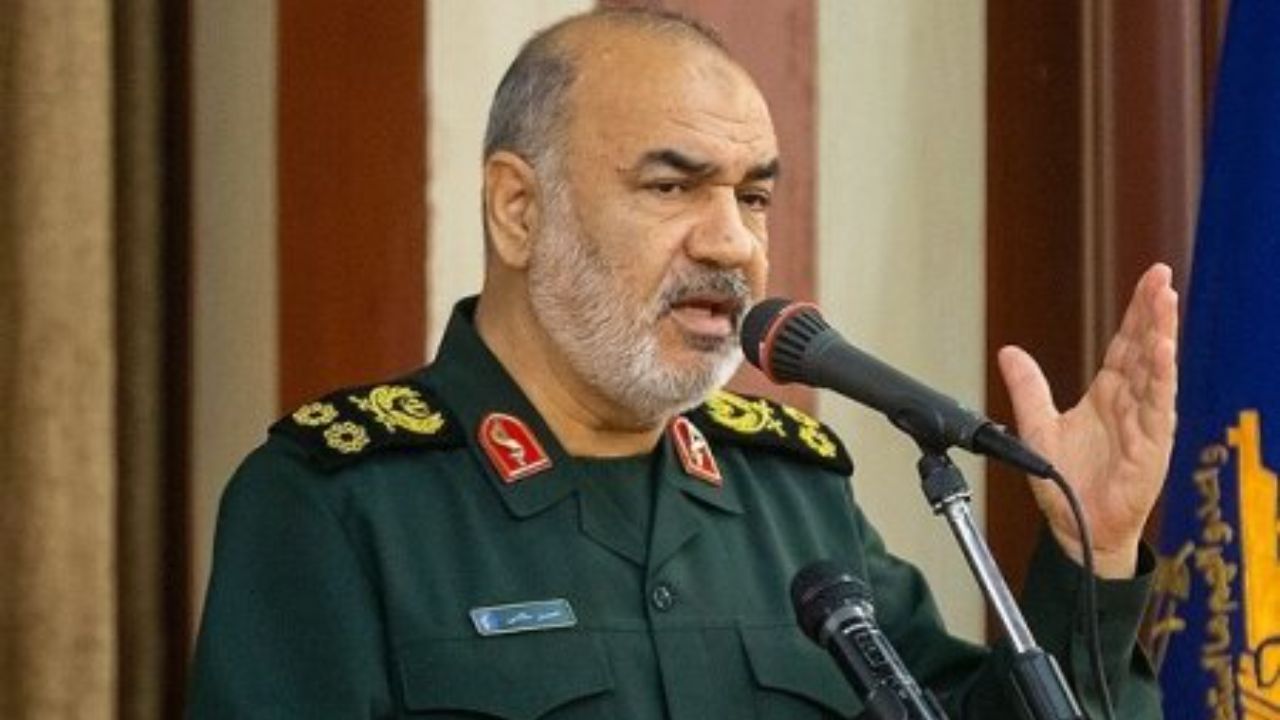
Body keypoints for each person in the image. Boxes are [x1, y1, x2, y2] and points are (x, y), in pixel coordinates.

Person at [189, 9, 1178, 719]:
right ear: (518, 210)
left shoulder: (792, 497)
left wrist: (1090, 555)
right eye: (672, 186)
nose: (732, 244)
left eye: (753, 197)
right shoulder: (337, 505)